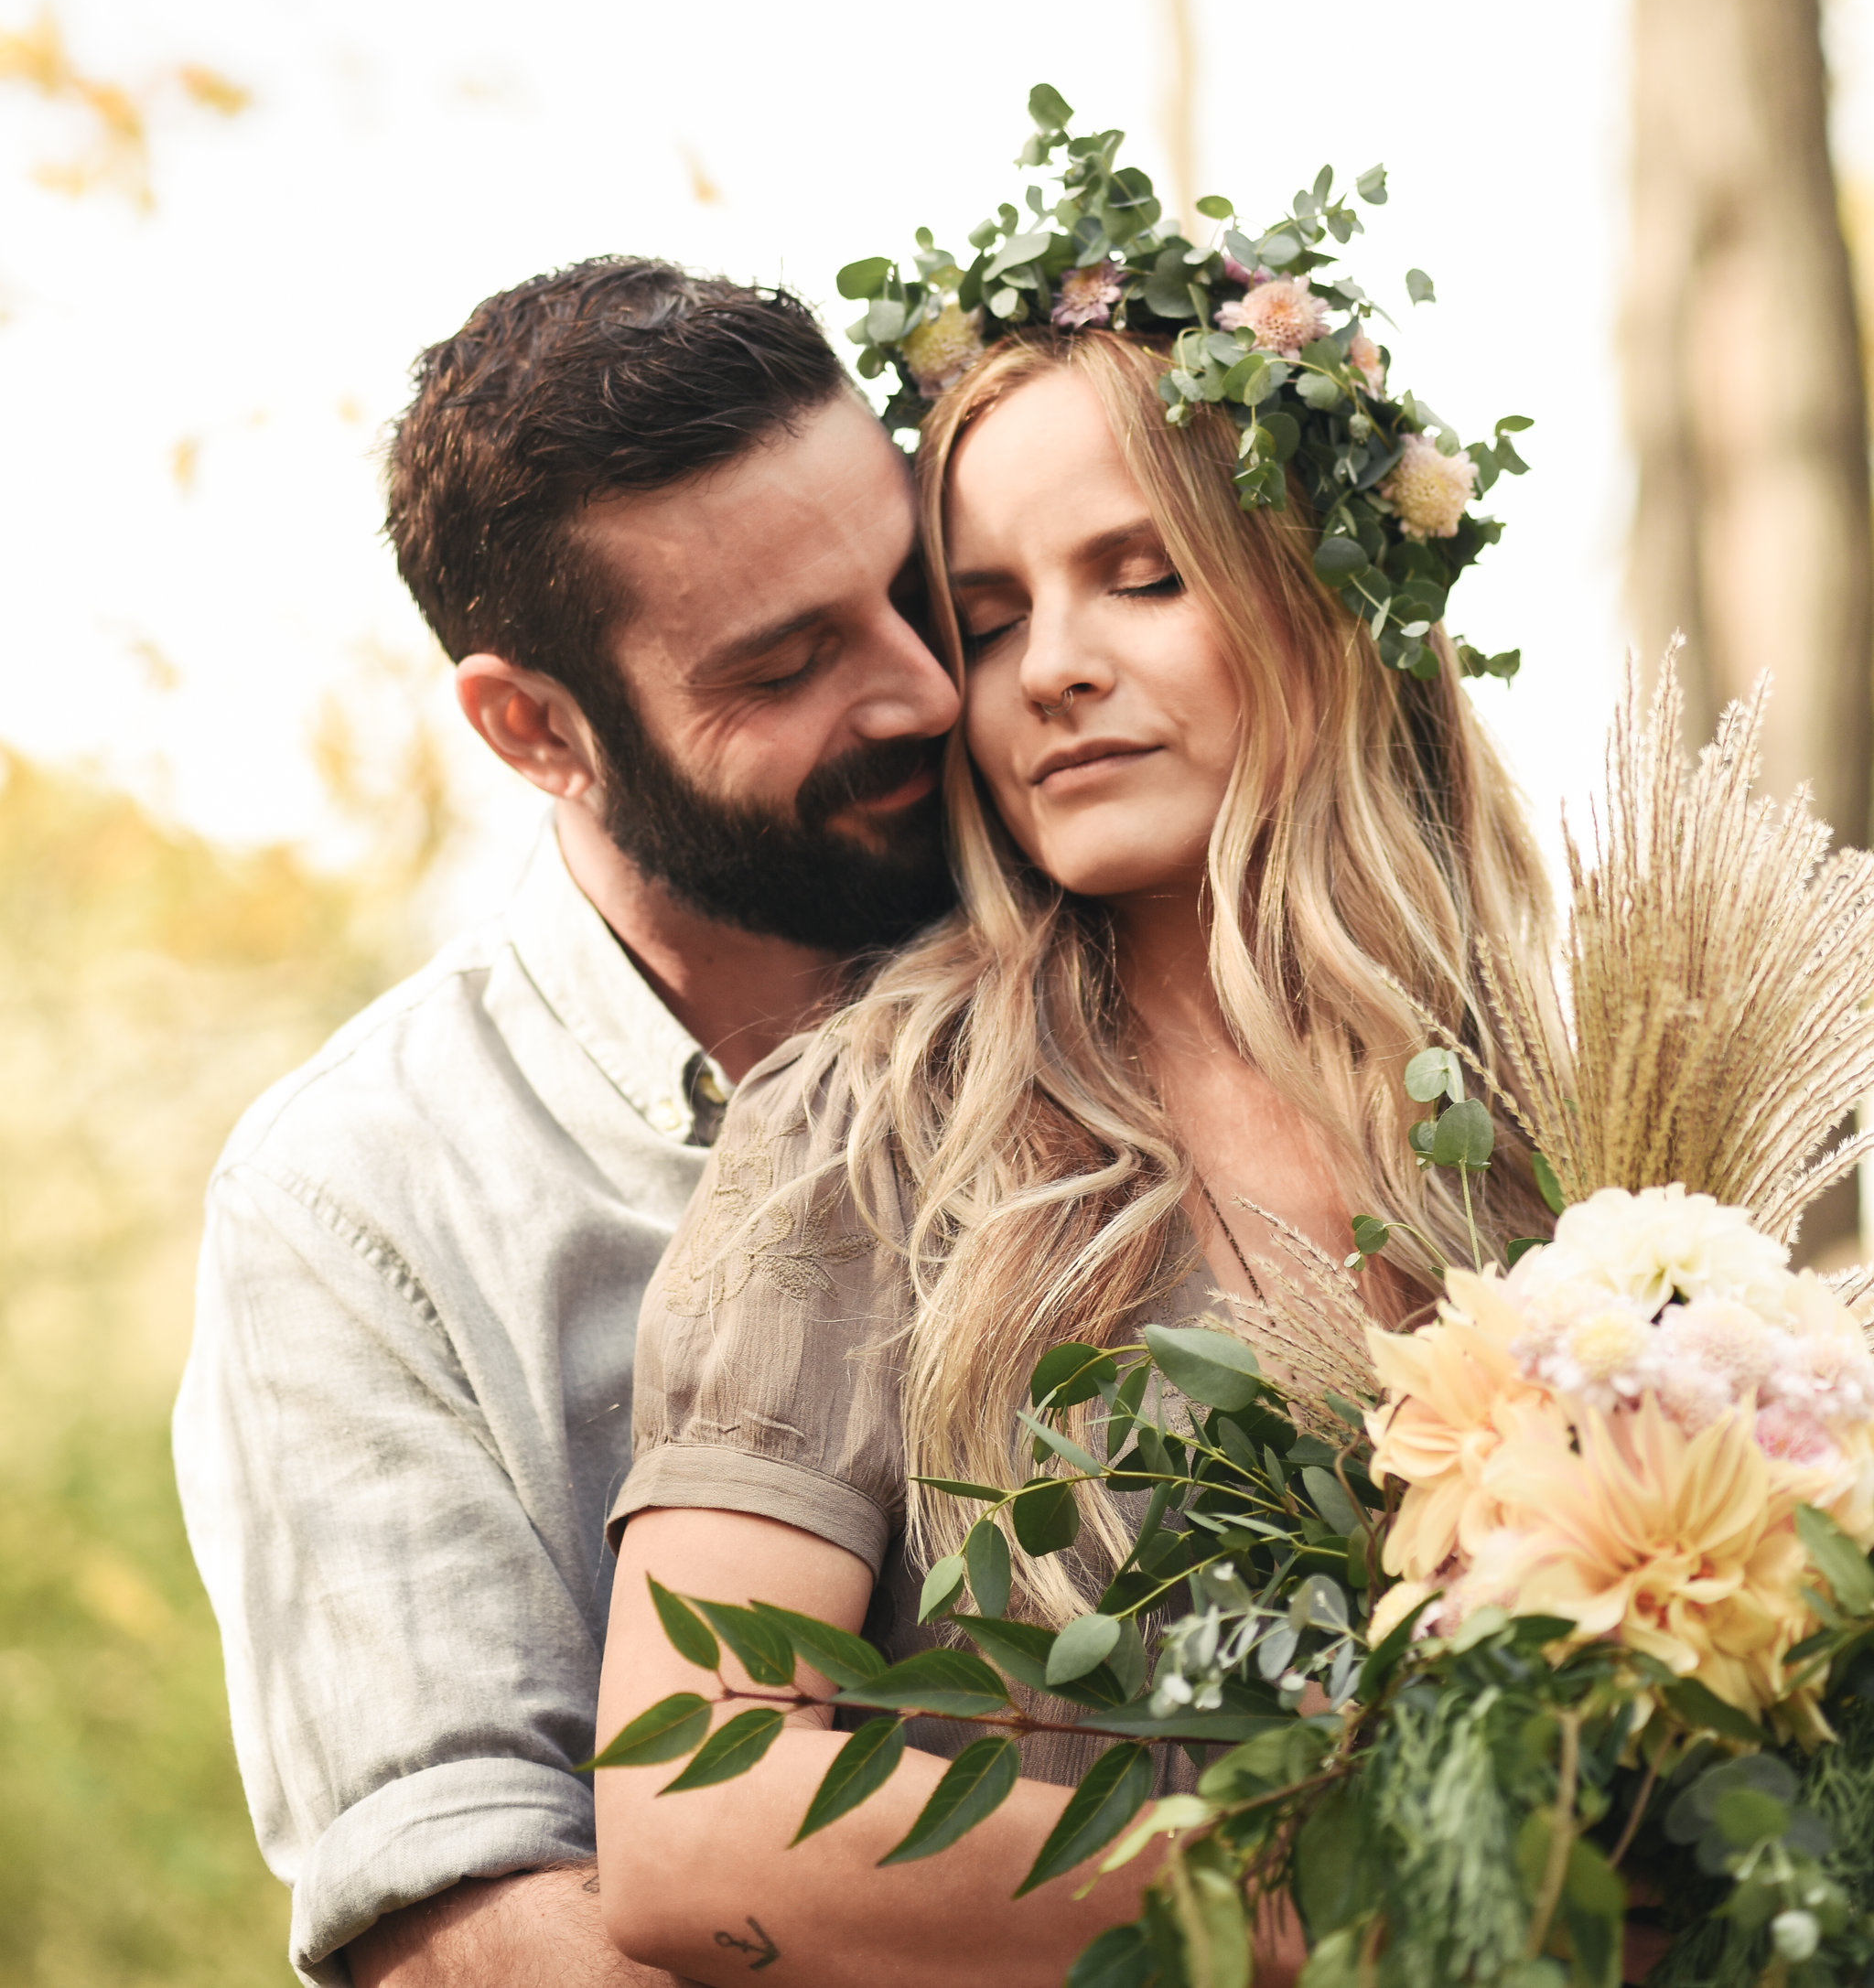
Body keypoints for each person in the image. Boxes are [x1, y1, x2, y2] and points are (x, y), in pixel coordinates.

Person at [592, 305, 1554, 1986]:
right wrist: (1327, 1908)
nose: (1050, 666)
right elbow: (688, 1816)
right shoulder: (880, 1127)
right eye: (988, 616)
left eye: (1144, 574)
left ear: (1324, 597)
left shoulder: (1580, 1118)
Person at [173, 256, 961, 1988]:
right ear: (537, 726)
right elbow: (461, 1915)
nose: (924, 692)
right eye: (786, 663)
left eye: (914, 588)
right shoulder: (353, 1204)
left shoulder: (1117, 951)